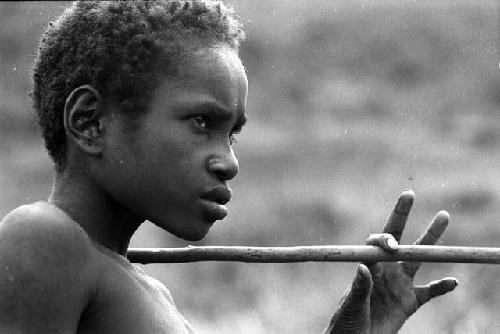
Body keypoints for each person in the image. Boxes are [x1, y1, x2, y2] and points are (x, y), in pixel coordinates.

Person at [0, 1, 457, 333]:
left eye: (232, 133)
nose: (229, 162)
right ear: (90, 122)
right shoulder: (43, 240)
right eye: (202, 122)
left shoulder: (148, 292)